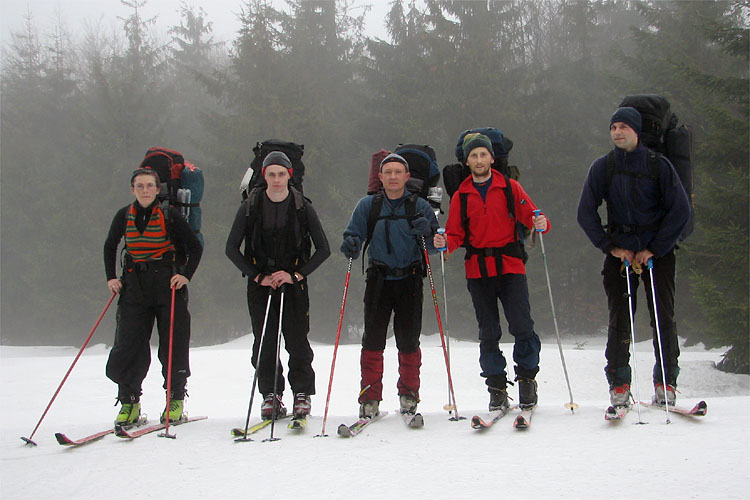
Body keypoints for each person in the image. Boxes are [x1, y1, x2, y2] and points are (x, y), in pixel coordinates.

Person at [577, 107, 690, 408]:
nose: (617, 132)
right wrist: (610, 247)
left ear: (637, 131)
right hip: (620, 256)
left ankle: (666, 382)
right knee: (620, 320)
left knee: (662, 319)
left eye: (624, 126)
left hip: (658, 256)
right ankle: (619, 383)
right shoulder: (604, 167)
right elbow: (585, 213)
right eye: (613, 127)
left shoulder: (658, 165)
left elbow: (680, 211)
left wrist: (656, 247)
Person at [433, 133, 549, 413]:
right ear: (467, 161)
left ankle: (526, 380)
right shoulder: (462, 194)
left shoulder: (509, 187)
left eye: (483, 154)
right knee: (488, 331)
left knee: (522, 325)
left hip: (510, 266)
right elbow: (456, 234)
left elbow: (532, 217)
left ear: (492, 159)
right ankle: (496, 387)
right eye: (473, 156)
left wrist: (541, 222)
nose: (479, 160)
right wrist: (445, 242)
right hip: (478, 270)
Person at [226, 151, 330, 420]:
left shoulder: (302, 207)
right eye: (271, 174)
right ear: (264, 176)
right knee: (265, 342)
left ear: (289, 176)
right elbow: (231, 248)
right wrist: (256, 275)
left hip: (294, 284)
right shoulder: (250, 206)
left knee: (297, 341)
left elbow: (323, 249)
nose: (276, 179)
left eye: (281, 174)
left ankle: (302, 394)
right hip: (261, 284)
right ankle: (271, 395)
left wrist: (296, 275)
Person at [341, 153, 438, 418]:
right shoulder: (367, 205)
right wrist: (350, 244)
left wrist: (428, 233)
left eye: (398, 172)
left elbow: (437, 247)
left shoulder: (420, 206)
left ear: (407, 177)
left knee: (408, 341)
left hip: (410, 279)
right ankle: (370, 397)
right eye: (388, 172)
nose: (393, 177)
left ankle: (408, 395)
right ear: (380, 177)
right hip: (379, 279)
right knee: (372, 340)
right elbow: (354, 235)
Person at [104, 167, 203, 427]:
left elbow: (195, 246)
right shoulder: (124, 214)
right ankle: (129, 402)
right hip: (133, 285)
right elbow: (110, 244)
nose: (145, 190)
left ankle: (175, 400)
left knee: (173, 343)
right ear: (132, 189)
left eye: (149, 186)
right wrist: (111, 277)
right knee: (129, 345)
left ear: (158, 189)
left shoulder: (169, 215)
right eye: (140, 186)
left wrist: (186, 276)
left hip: (167, 282)